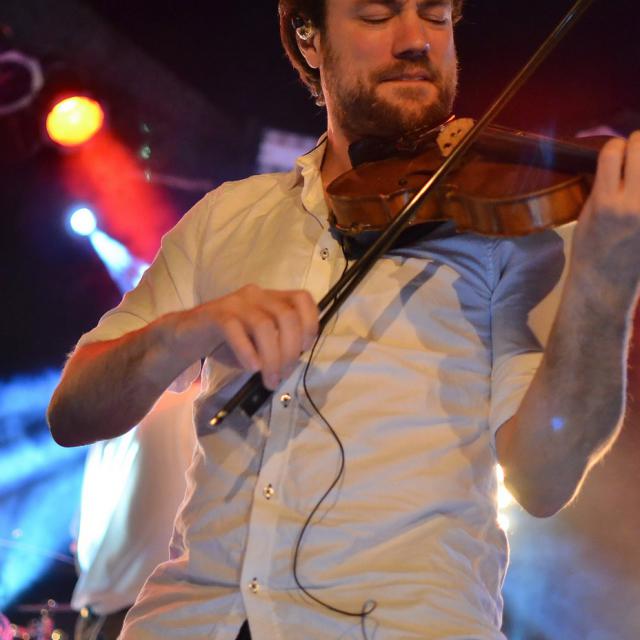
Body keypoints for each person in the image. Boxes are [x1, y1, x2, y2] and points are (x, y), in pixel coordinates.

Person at [47, 1, 640, 638]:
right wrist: (187, 329)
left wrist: (606, 282)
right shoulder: (226, 217)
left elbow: (545, 481)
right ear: (309, 40)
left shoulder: (509, 233)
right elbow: (72, 414)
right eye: (378, 15)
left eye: (436, 16)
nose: (416, 40)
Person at [71, 385, 198, 640]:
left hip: (98, 615)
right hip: (157, 613)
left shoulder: (113, 417)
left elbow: (78, 539)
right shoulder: (204, 405)